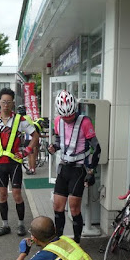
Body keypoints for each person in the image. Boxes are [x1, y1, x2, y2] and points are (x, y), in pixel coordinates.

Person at [0, 88, 40, 237]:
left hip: (15, 163)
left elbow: (35, 136)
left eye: (8, 102)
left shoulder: (20, 120)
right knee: (2, 195)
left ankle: (21, 225)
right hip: (0, 164)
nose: (6, 105)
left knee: (17, 195)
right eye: (3, 102)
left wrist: (26, 151)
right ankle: (5, 225)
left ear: (13, 103)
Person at [47, 90, 101, 244]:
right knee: (58, 206)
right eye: (64, 117)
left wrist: (91, 171)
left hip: (78, 169)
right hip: (64, 167)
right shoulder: (58, 121)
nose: (68, 119)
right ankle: (58, 240)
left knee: (74, 208)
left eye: (70, 116)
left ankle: (77, 241)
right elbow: (59, 141)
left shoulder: (85, 122)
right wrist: (53, 147)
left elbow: (97, 148)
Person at [16, 105, 47, 175]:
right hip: (29, 138)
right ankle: (31, 169)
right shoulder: (27, 117)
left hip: (28, 138)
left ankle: (32, 169)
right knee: (30, 155)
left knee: (31, 155)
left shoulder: (22, 118)